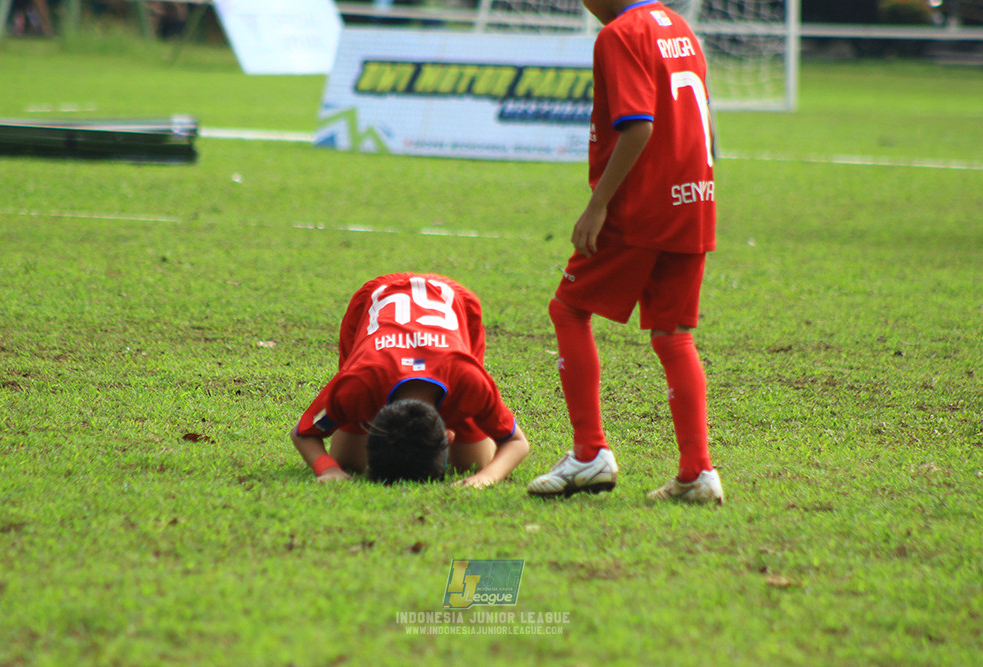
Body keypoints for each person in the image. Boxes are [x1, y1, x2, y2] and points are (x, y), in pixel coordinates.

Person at [526, 0, 723, 504]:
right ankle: (697, 472)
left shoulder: (620, 34)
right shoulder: (676, 24)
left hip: (640, 206)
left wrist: (597, 206)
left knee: (568, 309)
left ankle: (590, 453)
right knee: (673, 336)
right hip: (693, 199)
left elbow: (638, 125)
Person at [291, 272, 529, 487]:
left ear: (448, 433)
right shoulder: (359, 383)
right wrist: (330, 470)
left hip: (456, 301)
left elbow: (517, 442)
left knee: (471, 467)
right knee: (349, 464)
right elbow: (303, 432)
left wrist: (485, 477)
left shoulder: (468, 381)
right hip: (376, 303)